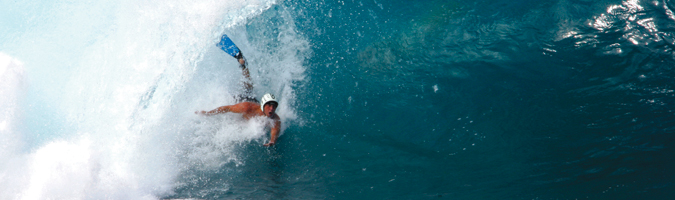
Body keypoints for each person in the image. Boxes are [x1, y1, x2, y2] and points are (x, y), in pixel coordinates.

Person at [195, 53, 281, 146]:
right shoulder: (247, 107)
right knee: (248, 88)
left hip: (253, 102)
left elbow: (274, 131)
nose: (272, 108)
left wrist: (272, 141)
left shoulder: (275, 119)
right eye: (269, 105)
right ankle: (243, 64)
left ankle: (243, 66)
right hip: (244, 100)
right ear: (263, 105)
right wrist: (208, 113)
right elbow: (227, 108)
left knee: (249, 90)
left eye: (274, 106)